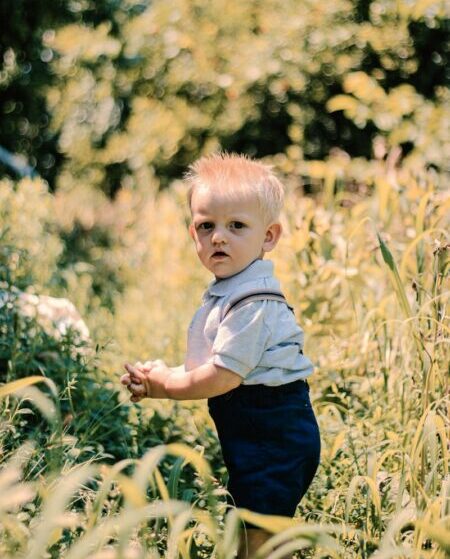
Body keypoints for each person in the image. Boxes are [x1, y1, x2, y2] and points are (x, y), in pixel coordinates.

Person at [120, 153, 321, 558]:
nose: (219, 237)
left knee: (258, 534)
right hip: (255, 430)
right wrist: (162, 373)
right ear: (192, 232)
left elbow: (223, 377)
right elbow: (211, 366)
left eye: (236, 226)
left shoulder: (253, 302)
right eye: (206, 225)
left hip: (275, 434)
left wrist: (165, 387)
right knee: (248, 522)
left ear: (268, 237)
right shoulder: (228, 290)